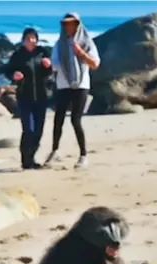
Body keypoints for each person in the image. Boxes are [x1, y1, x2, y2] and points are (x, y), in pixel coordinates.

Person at [45, 13, 100, 169]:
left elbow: (95, 64)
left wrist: (79, 53)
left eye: (72, 24)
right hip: (63, 85)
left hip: (81, 85)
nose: (69, 27)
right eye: (66, 24)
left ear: (78, 25)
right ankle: (54, 152)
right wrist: (50, 64)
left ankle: (83, 155)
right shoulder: (59, 43)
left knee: (76, 120)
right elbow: (55, 64)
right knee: (58, 119)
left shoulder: (87, 42)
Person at [3, 28, 52, 170]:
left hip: (42, 97)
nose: (31, 40)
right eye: (28, 38)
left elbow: (50, 71)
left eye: (33, 38)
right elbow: (7, 70)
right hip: (25, 97)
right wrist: (14, 75)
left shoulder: (42, 52)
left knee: (38, 131)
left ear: (37, 39)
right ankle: (25, 160)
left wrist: (48, 66)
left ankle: (32, 158)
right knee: (28, 130)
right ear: (23, 40)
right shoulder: (18, 55)